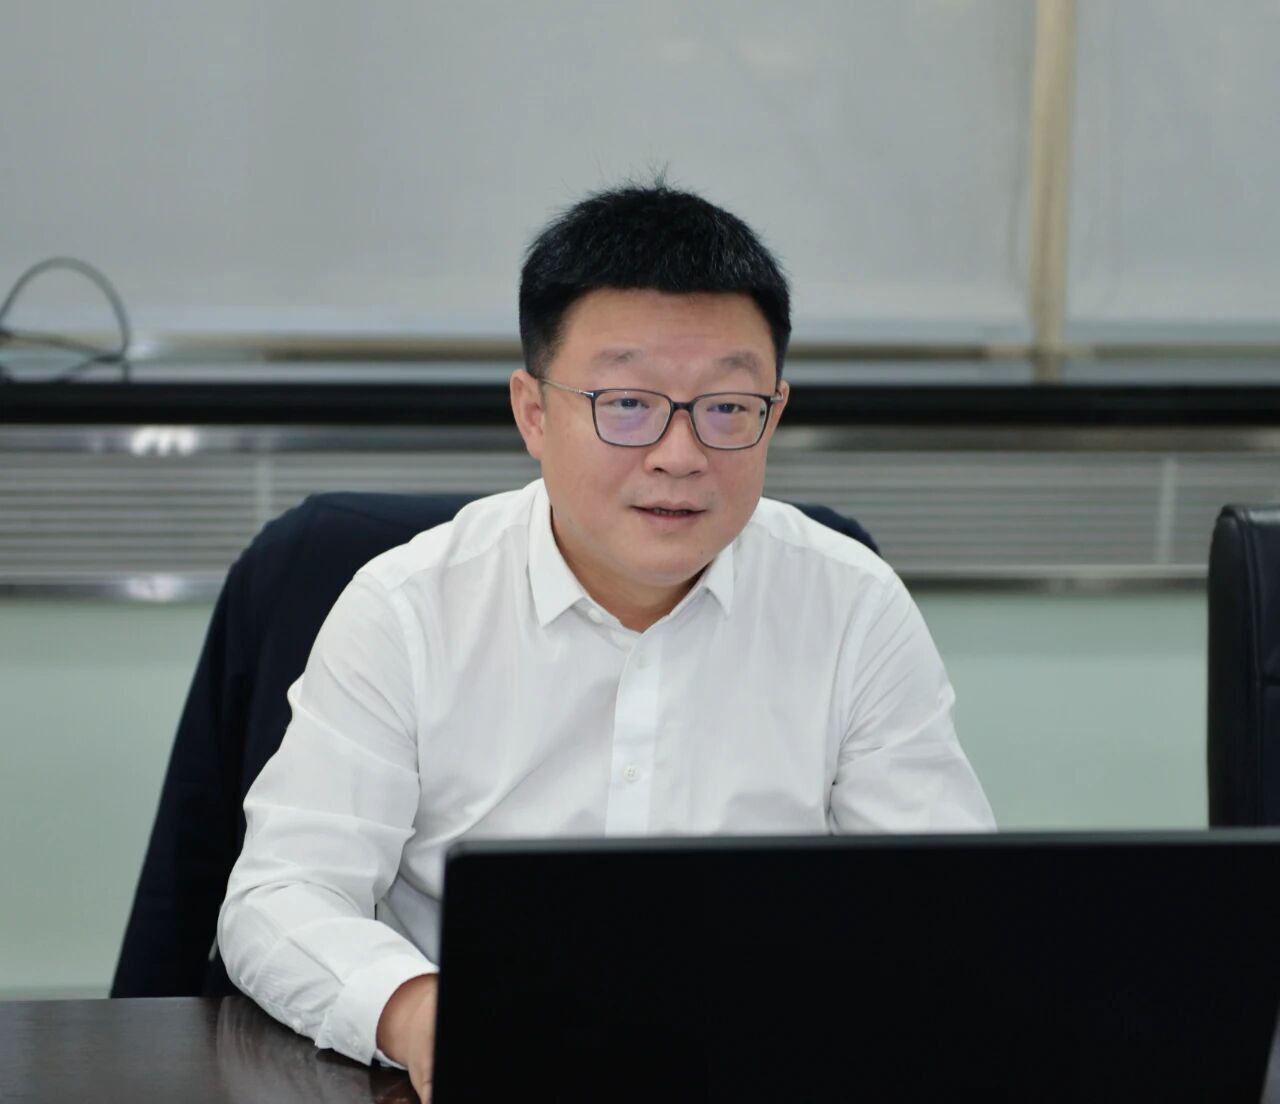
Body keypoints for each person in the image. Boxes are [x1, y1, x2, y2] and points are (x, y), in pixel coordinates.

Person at [218, 182, 994, 1101]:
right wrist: (424, 1013)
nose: (680, 454)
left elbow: (949, 913)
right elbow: (281, 895)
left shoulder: (852, 606)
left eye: (727, 407)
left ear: (774, 413)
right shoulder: (406, 609)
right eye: (627, 403)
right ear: (534, 413)